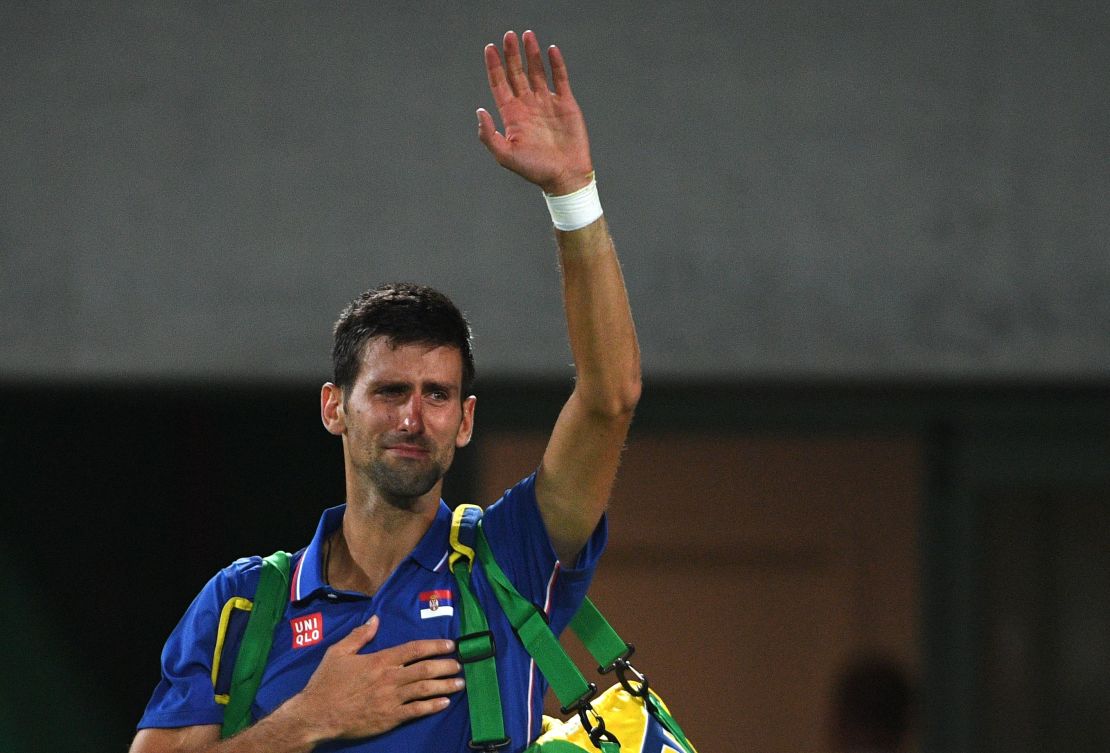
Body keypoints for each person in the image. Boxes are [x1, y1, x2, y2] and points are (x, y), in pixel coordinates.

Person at [129, 29, 640, 753]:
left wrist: (572, 195)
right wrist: (307, 719)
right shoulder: (241, 605)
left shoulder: (512, 557)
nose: (413, 416)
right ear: (334, 406)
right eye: (391, 389)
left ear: (466, 421)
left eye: (437, 395)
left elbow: (610, 397)